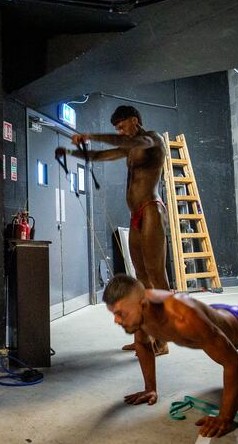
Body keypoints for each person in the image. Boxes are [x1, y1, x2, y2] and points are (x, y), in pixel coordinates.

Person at [103, 274, 238, 438]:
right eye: (114, 314)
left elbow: (236, 365)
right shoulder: (140, 316)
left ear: (142, 304)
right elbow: (143, 345)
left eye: (120, 314)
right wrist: (150, 388)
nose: (116, 321)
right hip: (214, 319)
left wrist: (225, 418)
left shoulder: (184, 319)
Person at [58, 105, 169, 355]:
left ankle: (163, 340)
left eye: (121, 126)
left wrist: (91, 135)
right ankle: (144, 337)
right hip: (136, 214)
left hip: (151, 209)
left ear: (134, 120)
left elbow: (130, 141)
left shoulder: (151, 139)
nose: (119, 131)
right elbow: (100, 156)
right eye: (116, 129)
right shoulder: (129, 147)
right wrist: (71, 152)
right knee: (140, 277)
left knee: (157, 275)